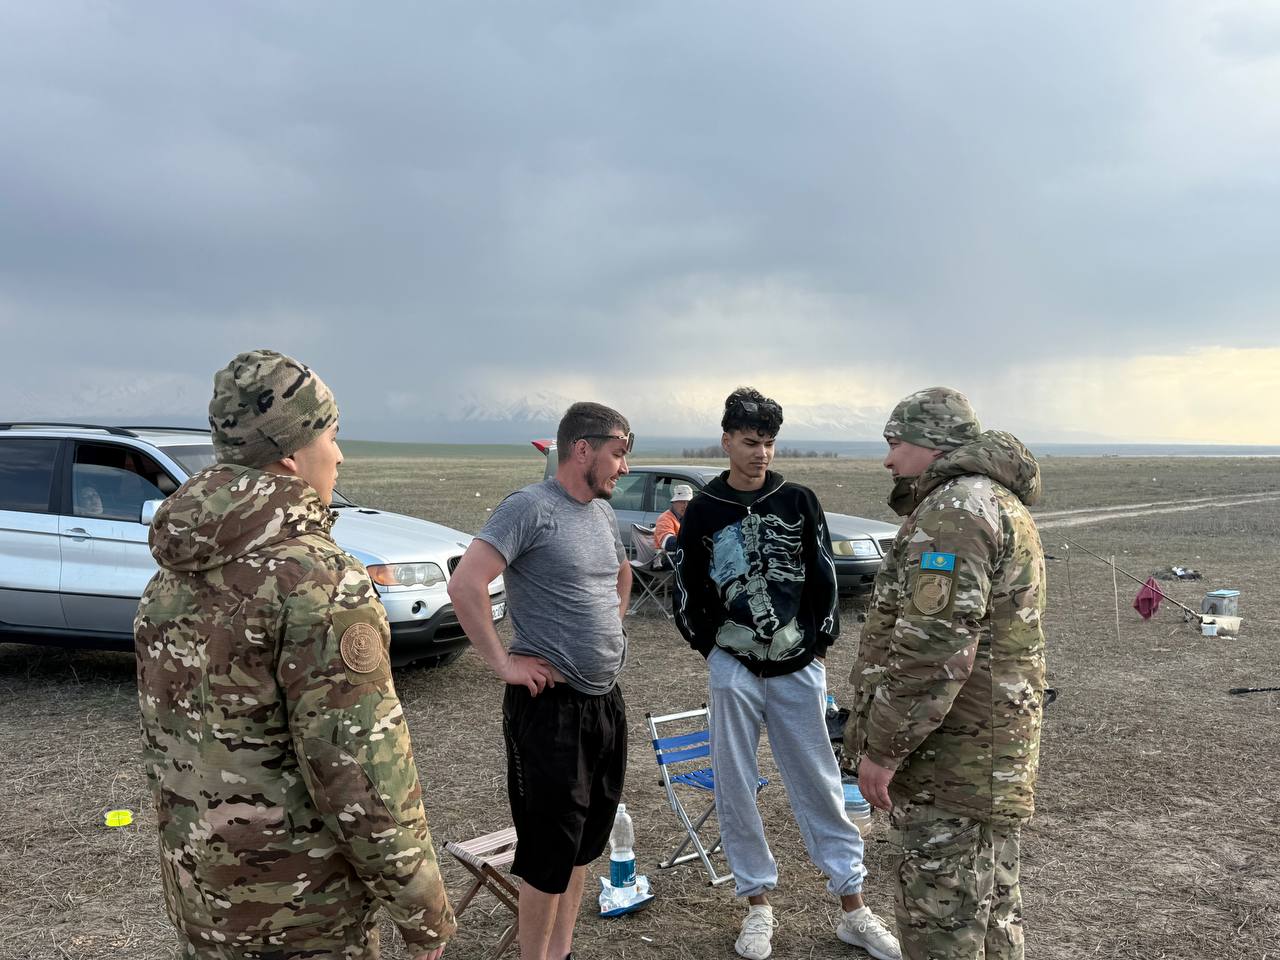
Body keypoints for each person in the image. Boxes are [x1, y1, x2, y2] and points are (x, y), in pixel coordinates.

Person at [134, 349, 455, 960]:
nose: (339, 455)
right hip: (304, 918)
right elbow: (360, 773)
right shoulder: (318, 581)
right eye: (331, 436)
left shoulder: (172, 575)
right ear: (290, 453)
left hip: (204, 905)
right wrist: (424, 912)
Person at [672, 387, 900, 960]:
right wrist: (712, 649)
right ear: (727, 441)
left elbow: (823, 576)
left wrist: (819, 645)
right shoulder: (703, 509)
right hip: (734, 663)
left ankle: (853, 907)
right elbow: (689, 588)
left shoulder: (798, 500)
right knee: (734, 781)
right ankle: (757, 904)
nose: (761, 453)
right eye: (751, 442)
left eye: (769, 443)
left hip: (798, 662)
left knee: (819, 780)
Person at [843, 386, 1047, 960]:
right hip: (985, 754)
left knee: (942, 923)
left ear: (932, 443)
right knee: (991, 912)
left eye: (895, 443)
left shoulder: (955, 512)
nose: (888, 460)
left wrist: (883, 750)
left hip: (955, 761)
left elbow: (934, 649)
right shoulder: (994, 501)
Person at [447, 401, 633, 960]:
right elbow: (466, 584)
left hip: (604, 701)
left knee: (583, 846)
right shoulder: (529, 507)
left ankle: (560, 953)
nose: (624, 467)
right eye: (618, 453)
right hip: (550, 708)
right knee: (548, 852)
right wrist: (504, 664)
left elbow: (621, 573)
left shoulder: (601, 515)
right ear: (583, 449)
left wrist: (609, 626)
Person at [653, 483, 693, 553]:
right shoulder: (664, 518)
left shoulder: (689, 517)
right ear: (674, 502)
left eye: (688, 502)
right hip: (668, 557)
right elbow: (668, 543)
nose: (686, 506)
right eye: (682, 502)